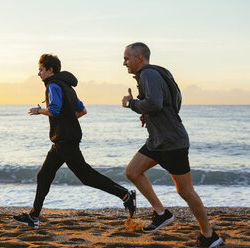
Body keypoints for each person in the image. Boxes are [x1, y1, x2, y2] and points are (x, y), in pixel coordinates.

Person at [13, 53, 136, 229]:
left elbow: (54, 110)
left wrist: (38, 111)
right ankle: (33, 216)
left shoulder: (53, 85)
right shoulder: (67, 87)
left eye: (41, 70)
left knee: (87, 176)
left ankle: (126, 195)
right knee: (44, 175)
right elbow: (82, 110)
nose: (38, 74)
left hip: (65, 141)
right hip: (62, 142)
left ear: (50, 70)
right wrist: (68, 120)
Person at [121, 42, 223, 248]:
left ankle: (210, 235)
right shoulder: (150, 75)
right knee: (132, 172)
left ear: (139, 58)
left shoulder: (148, 74)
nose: (124, 63)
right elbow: (162, 104)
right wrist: (146, 115)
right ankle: (162, 213)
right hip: (157, 142)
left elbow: (156, 103)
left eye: (126, 58)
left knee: (186, 192)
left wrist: (131, 104)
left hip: (172, 143)